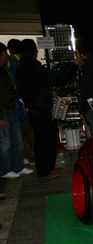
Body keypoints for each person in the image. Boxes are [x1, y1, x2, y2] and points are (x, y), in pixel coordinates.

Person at [15, 38, 81, 179]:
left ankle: (48, 167)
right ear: (35, 51)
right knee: (45, 141)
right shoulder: (33, 67)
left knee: (45, 140)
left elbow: (32, 87)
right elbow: (57, 78)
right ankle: (45, 170)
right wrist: (74, 64)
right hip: (40, 108)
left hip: (35, 107)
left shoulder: (23, 67)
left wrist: (46, 91)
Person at [0, 42, 33, 178]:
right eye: (4, 53)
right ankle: (5, 170)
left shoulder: (4, 70)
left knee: (17, 140)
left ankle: (18, 166)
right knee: (5, 142)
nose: (7, 56)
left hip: (12, 107)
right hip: (3, 110)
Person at [6, 38, 34, 165]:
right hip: (27, 99)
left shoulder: (13, 63)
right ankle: (34, 152)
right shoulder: (26, 61)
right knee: (28, 129)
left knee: (21, 130)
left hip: (18, 101)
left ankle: (26, 155)